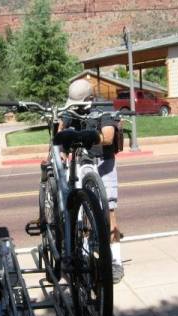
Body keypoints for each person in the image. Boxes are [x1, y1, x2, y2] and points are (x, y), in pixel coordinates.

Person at [58, 79, 124, 284]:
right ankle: (84, 255)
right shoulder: (72, 108)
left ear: (91, 99)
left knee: (109, 210)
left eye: (80, 104)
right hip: (80, 161)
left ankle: (115, 261)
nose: (77, 108)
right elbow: (62, 127)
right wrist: (62, 148)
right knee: (80, 209)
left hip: (103, 161)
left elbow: (108, 137)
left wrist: (86, 136)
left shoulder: (103, 108)